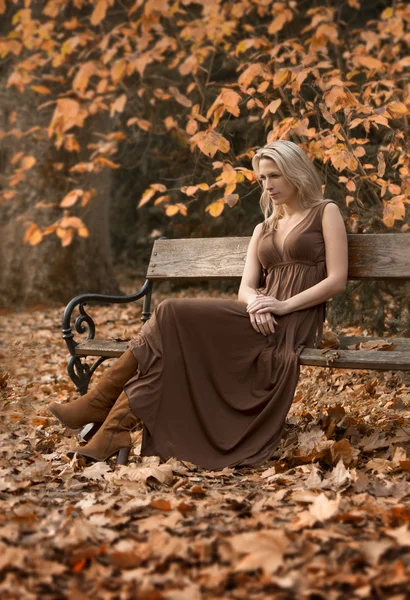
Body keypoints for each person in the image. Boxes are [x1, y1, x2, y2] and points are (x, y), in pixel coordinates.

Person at [48, 140, 348, 469]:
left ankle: (99, 404)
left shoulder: (324, 212)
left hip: (291, 320)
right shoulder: (264, 227)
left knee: (170, 312)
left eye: (274, 175)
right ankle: (111, 429)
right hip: (257, 315)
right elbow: (245, 288)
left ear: (295, 172)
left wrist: (282, 306)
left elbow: (336, 280)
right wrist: (257, 304)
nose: (268, 185)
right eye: (262, 178)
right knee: (169, 346)